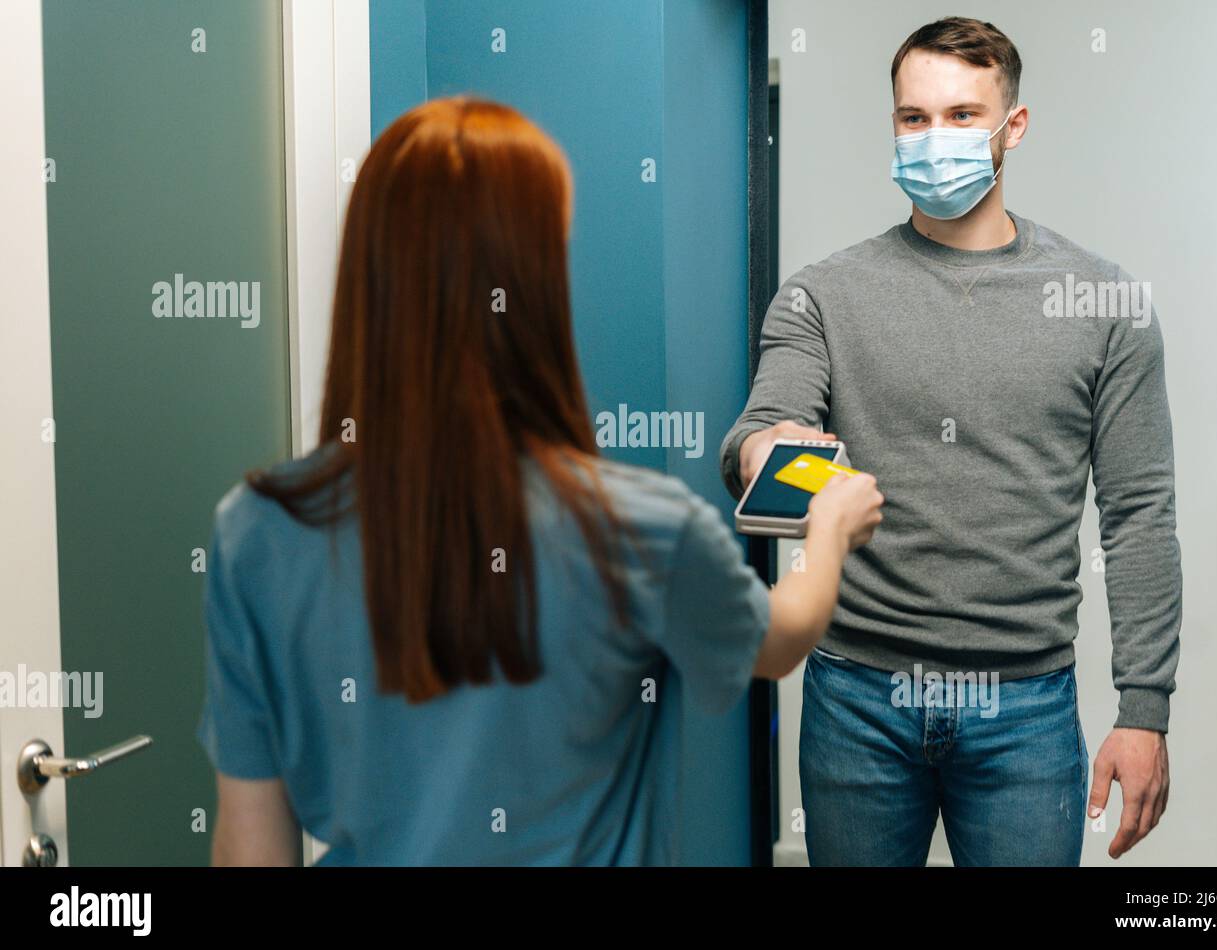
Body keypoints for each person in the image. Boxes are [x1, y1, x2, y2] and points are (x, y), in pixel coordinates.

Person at [195, 95, 884, 865]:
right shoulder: (636, 527)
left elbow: (250, 843)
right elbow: (780, 639)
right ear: (533, 285)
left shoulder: (256, 529)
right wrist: (828, 532)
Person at [720, 17, 1180, 866]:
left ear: (1015, 126)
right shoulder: (821, 296)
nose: (935, 138)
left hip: (1027, 713)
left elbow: (1140, 515)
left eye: (963, 116)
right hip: (856, 698)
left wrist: (1143, 709)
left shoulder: (1104, 304)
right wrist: (773, 455)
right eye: (914, 117)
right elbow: (759, 435)